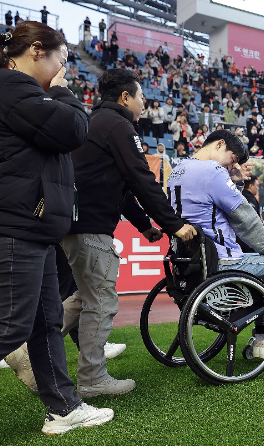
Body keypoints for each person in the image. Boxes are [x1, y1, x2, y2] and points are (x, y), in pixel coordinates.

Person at [0, 22, 113, 434]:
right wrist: (62, 90)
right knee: (7, 327)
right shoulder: (8, 86)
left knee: (44, 321)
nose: (62, 69)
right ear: (37, 51)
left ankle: (65, 408)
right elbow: (73, 130)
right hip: (9, 229)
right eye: (61, 60)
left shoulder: (8, 89)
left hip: (24, 228)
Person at [59, 68, 196, 399]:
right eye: (141, 98)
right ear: (125, 98)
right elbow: (140, 180)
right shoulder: (119, 125)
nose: (143, 104)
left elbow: (118, 187)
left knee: (83, 297)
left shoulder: (95, 123)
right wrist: (173, 224)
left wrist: (144, 224)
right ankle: (92, 378)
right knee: (100, 300)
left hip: (73, 221)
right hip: (91, 226)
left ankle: (23, 346)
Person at [167, 130, 264, 358]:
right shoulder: (212, 170)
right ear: (220, 144)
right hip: (222, 262)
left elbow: (212, 205)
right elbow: (244, 217)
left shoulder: (178, 170)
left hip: (192, 264)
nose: (231, 167)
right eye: (232, 160)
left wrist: (235, 181)